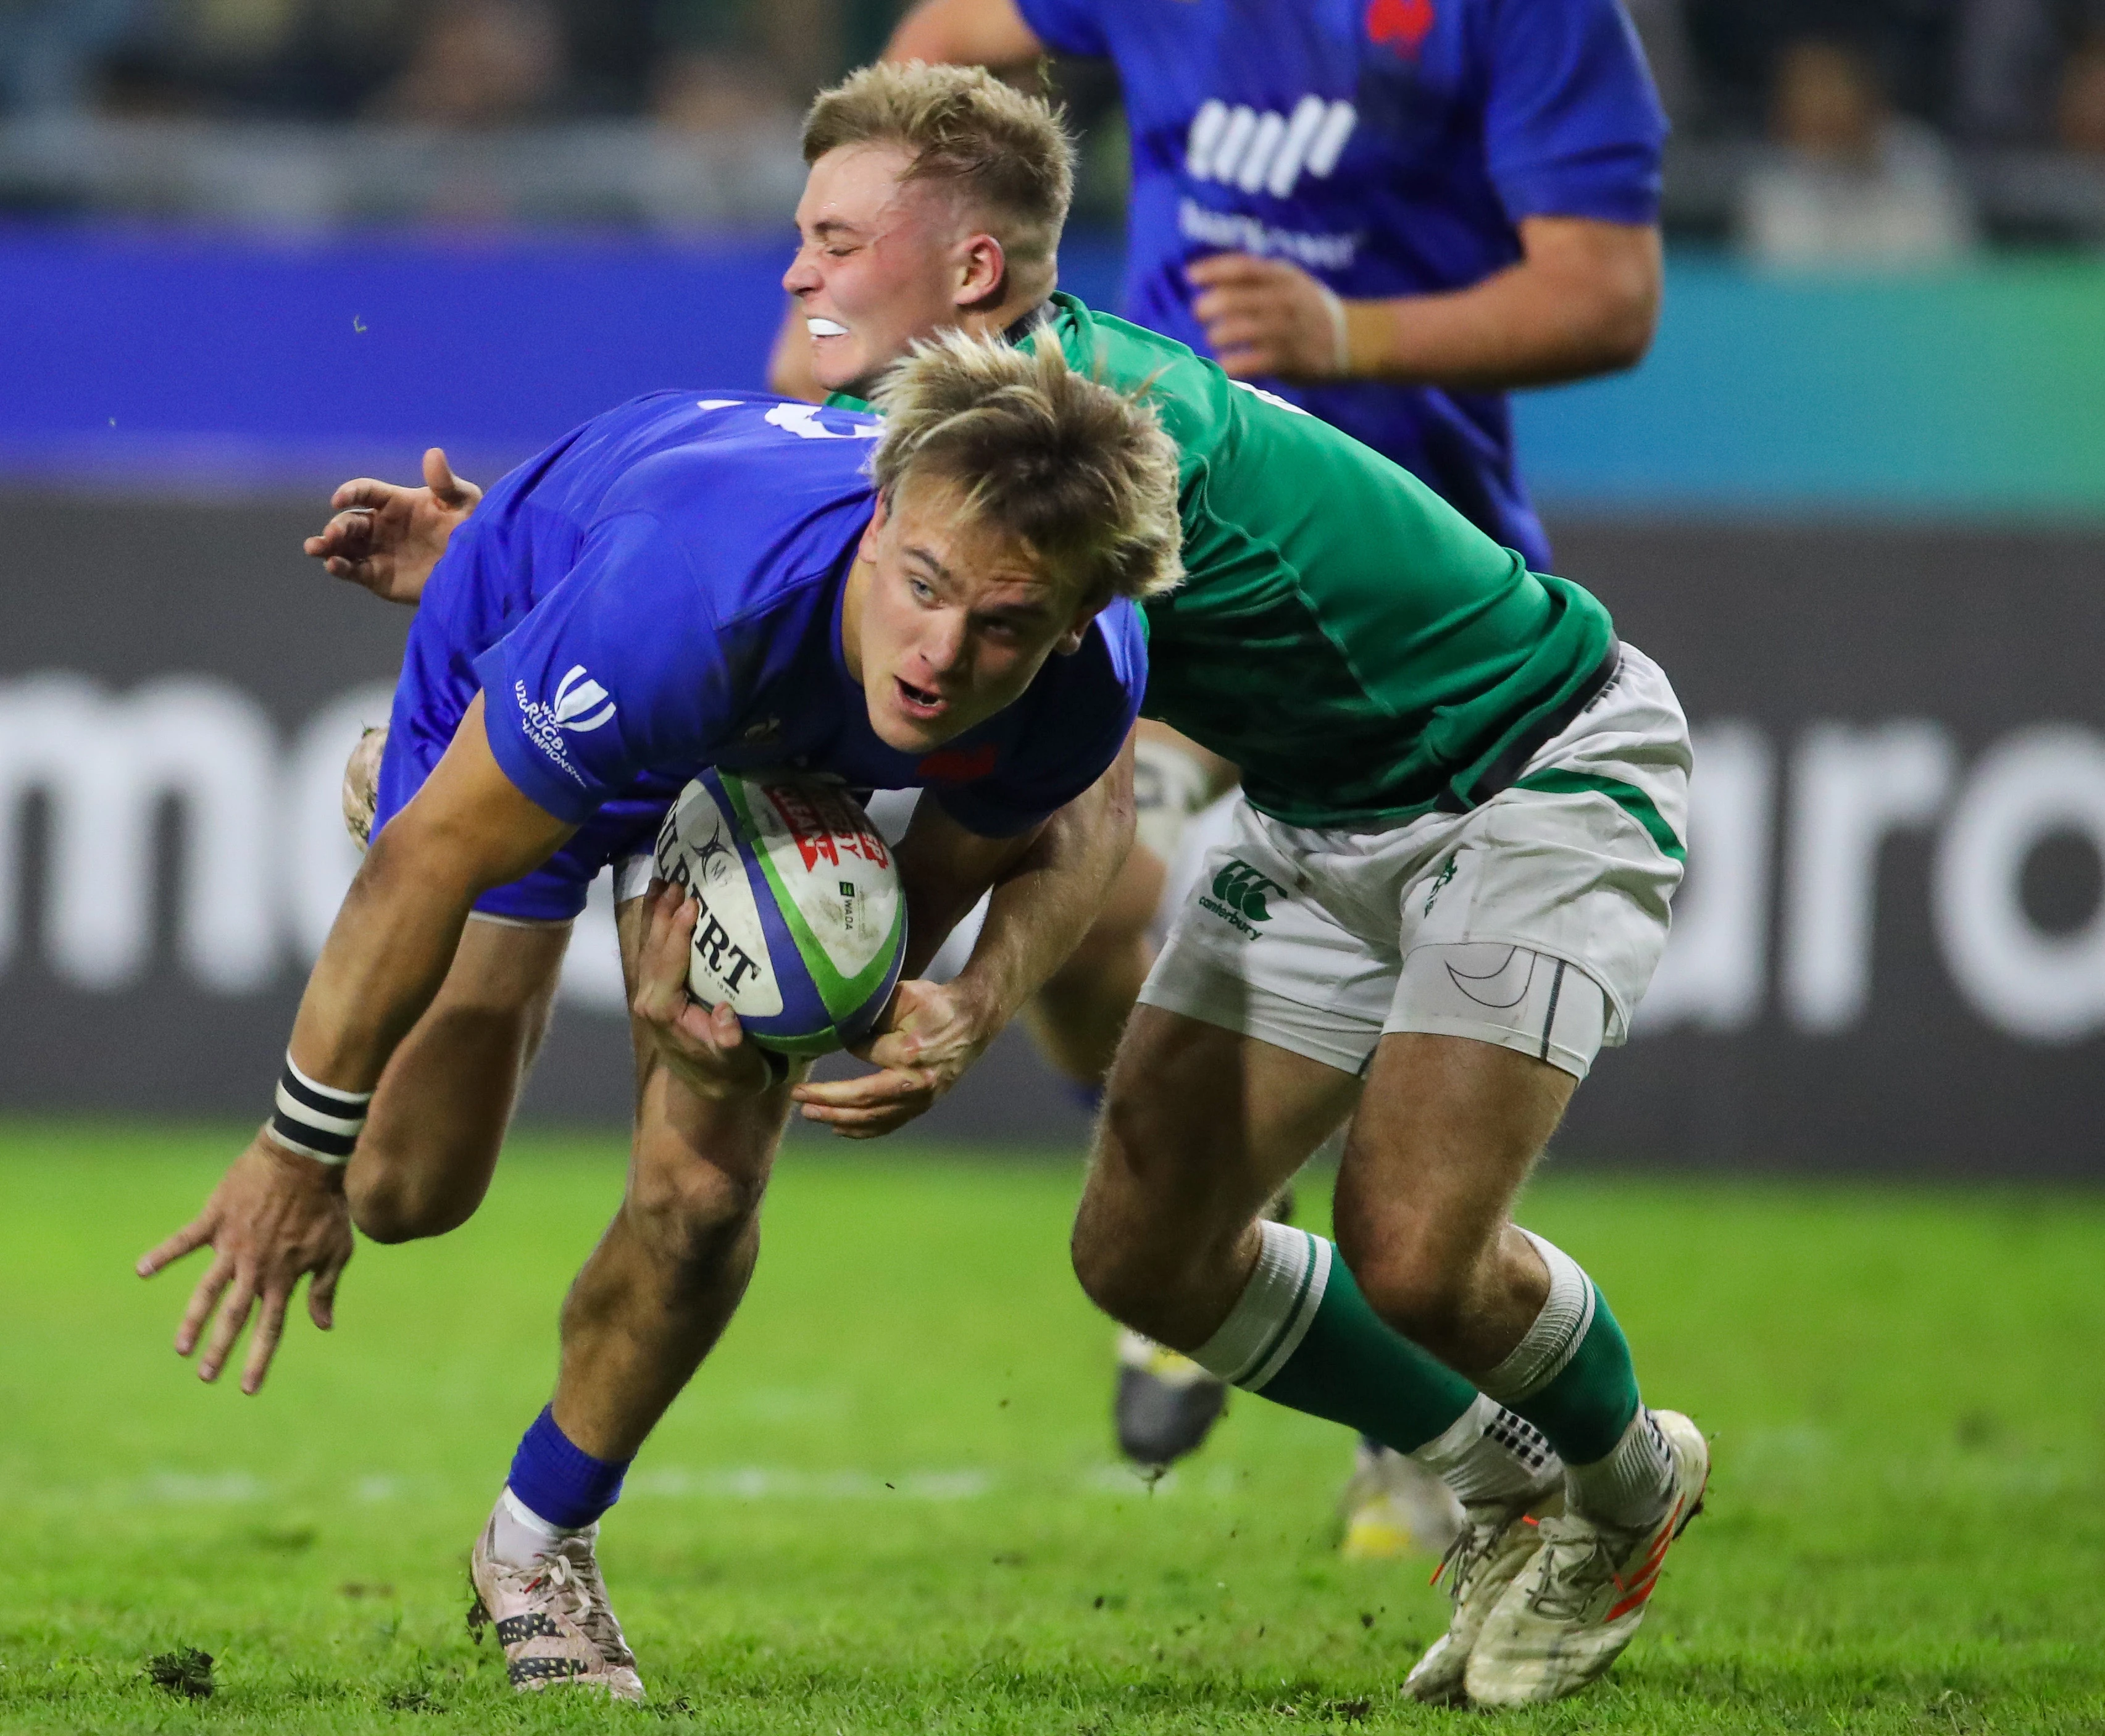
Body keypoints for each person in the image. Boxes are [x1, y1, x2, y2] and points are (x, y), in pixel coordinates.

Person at [307, 64, 1708, 1707]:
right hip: (1318, 807)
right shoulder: (931, 452)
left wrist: (942, 981)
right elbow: (752, 553)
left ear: (972, 272)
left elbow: (1076, 763)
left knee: (1409, 1249)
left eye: (834, 237)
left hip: (1526, 759)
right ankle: (1495, 1471)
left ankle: (1624, 1486)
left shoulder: (1092, 457)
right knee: (1146, 1251)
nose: (797, 272)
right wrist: (514, 582)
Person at [138, 335, 1184, 1699]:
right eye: (922, 588)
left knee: (700, 1195)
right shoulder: (682, 600)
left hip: (774, 741)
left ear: (1068, 622)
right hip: (580, 634)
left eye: (1001, 627)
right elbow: (424, 867)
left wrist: (916, 1008)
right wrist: (293, 1152)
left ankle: (536, 1541)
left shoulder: (1085, 666)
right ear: (879, 519)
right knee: (402, 1188)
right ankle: (433, 754)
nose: (941, 653)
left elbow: (1031, 844)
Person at [872, 0, 1673, 1492]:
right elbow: (939, 46)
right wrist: (963, 212)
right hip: (1131, 565)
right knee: (1103, 908)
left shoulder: (1530, 16)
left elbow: (1610, 294)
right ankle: (1225, 1238)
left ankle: (1404, 1396)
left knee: (1417, 1207)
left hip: (1401, 600)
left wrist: (1351, 333)